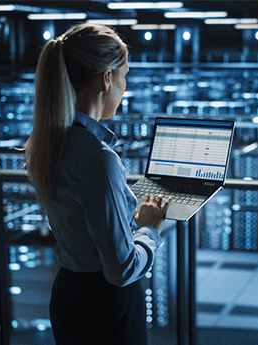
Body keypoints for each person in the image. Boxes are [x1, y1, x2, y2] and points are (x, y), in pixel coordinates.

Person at [24, 23, 172, 345]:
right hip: (106, 308)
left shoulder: (50, 142)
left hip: (68, 294)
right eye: (124, 76)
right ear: (107, 78)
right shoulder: (98, 157)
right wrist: (150, 229)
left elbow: (82, 223)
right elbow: (121, 269)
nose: (125, 86)